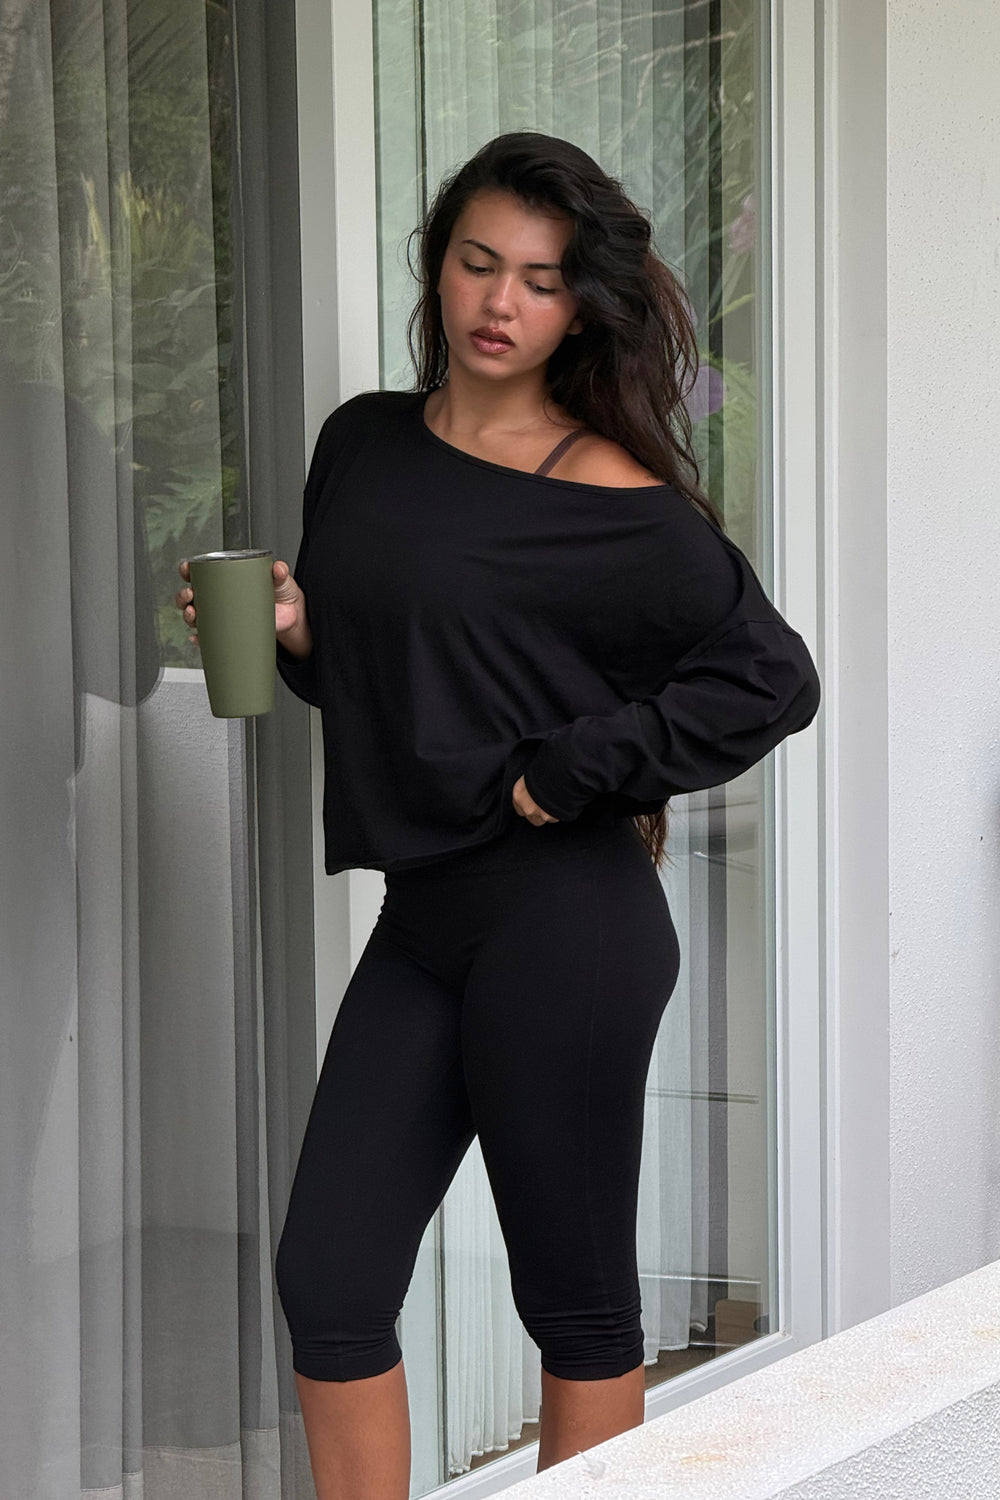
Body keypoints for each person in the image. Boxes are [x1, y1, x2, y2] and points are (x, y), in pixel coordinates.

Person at [176, 131, 820, 1500]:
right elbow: (399, 680)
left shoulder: (614, 498)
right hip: (427, 920)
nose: (500, 302)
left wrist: (573, 770)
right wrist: (298, 633)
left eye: (539, 279)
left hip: (564, 923)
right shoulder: (363, 441)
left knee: (573, 1304)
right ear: (439, 266)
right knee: (330, 1280)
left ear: (579, 307)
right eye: (479, 264)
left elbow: (773, 679)